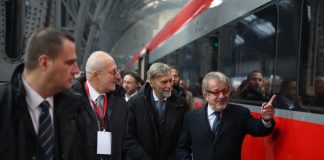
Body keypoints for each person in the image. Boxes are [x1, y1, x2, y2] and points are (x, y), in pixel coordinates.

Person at [0, 28, 88, 160]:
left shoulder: (76, 109)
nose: (76, 70)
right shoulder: (3, 104)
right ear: (44, 63)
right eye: (69, 62)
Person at [176, 71, 276, 160]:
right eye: (216, 92)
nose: (222, 96)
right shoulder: (191, 117)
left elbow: (258, 129)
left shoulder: (240, 114)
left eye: (225, 91)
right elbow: (182, 148)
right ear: (206, 95)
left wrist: (266, 120)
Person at [124, 62, 189, 160]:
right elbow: (128, 138)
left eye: (170, 81)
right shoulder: (134, 103)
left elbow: (183, 139)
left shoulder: (181, 104)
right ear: (151, 83)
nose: (169, 86)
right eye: (164, 82)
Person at [71, 51, 128, 160]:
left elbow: (124, 142)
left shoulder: (120, 101)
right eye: (113, 72)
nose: (118, 76)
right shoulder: (72, 102)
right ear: (96, 75)